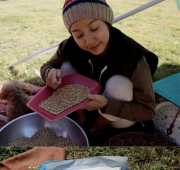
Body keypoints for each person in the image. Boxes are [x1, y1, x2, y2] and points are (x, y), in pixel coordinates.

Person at [40, 0, 158, 145]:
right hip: (89, 103)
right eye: (78, 35)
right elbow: (47, 66)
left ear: (107, 22)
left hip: (119, 115)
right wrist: (49, 73)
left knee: (120, 85)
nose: (88, 41)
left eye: (94, 28)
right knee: (64, 67)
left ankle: (96, 128)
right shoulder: (69, 46)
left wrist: (106, 105)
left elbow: (148, 110)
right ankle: (81, 117)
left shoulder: (133, 57)